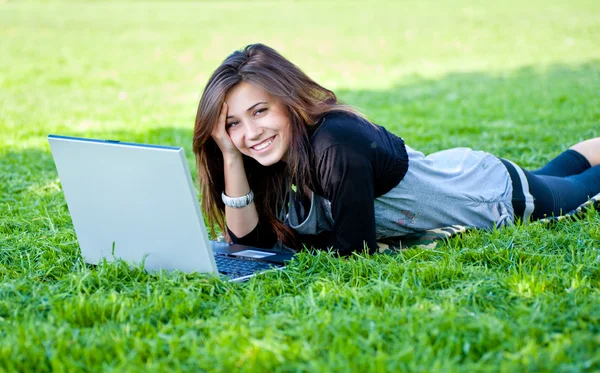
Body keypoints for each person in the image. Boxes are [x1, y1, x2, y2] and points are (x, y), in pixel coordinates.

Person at [192, 43, 600, 256]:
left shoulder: (335, 144)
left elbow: (356, 251)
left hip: (488, 195)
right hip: (457, 170)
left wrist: (296, 245)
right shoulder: (270, 154)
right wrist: (229, 155)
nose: (250, 132)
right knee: (559, 171)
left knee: (580, 190)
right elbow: (248, 243)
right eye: (233, 124)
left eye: (259, 111)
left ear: (288, 100)